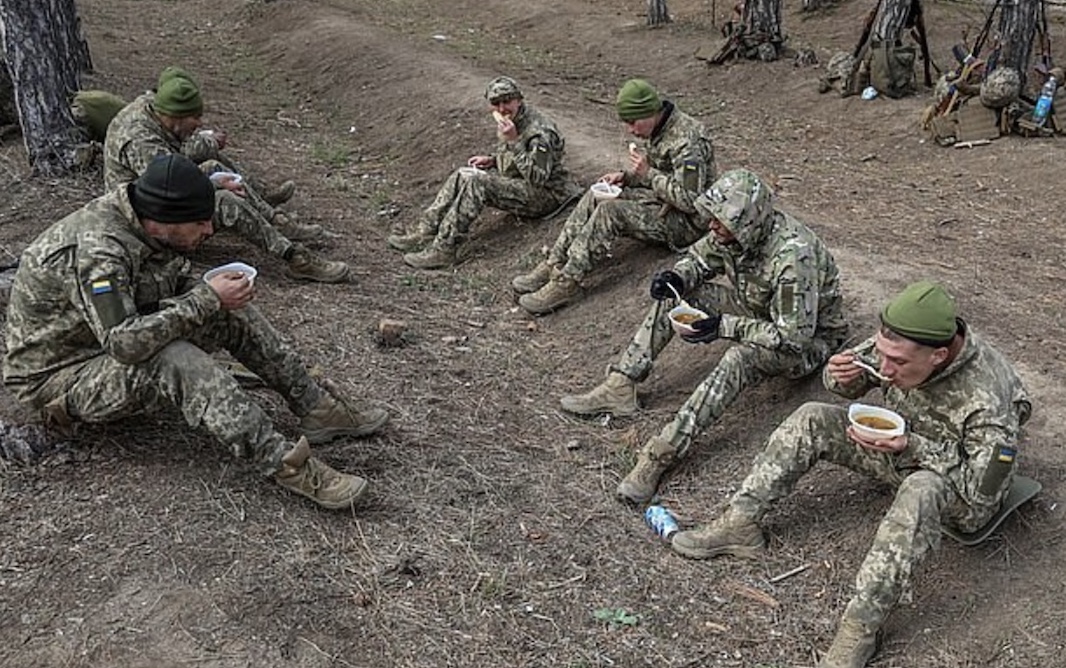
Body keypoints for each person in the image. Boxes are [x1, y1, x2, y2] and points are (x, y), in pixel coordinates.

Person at [669, 281, 1031, 668]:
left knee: (921, 488)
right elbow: (851, 379)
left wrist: (912, 447)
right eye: (882, 356)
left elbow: (982, 496)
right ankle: (741, 523)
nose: (886, 370)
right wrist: (840, 377)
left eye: (899, 364)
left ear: (939, 356)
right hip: (898, 449)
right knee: (812, 416)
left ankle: (861, 628)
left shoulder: (988, 398)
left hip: (956, 487)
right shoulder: (900, 345)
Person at [2, 155, 391, 510]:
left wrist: (212, 294)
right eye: (200, 222)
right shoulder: (99, 251)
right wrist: (205, 298)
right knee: (175, 360)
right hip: (58, 378)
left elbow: (170, 279)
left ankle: (316, 407)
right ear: (163, 221)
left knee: (228, 311)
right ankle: (286, 464)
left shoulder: (142, 220)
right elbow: (124, 343)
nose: (208, 229)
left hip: (100, 342)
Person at [560, 169, 849, 504]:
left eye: (719, 221)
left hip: (808, 343)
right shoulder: (733, 232)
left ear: (745, 224)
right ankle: (622, 383)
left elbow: (793, 337)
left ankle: (661, 454)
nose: (711, 225)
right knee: (676, 296)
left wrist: (723, 326)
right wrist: (677, 278)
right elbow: (698, 259)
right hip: (762, 312)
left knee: (739, 358)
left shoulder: (792, 257)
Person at [103, 66, 348, 284]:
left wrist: (213, 180)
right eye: (195, 118)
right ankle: (296, 258)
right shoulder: (139, 139)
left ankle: (276, 220)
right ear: (175, 117)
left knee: (212, 168)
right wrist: (212, 188)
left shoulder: (153, 110)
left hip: (157, 203)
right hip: (145, 223)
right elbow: (170, 189)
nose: (199, 124)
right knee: (227, 203)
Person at [514, 78, 717, 315]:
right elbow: (663, 172)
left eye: (633, 122)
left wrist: (647, 174)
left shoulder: (687, 141)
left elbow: (690, 201)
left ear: (651, 112)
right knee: (596, 194)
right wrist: (626, 177)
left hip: (687, 225)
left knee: (611, 211)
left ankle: (567, 283)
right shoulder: (660, 127)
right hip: (663, 203)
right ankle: (554, 262)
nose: (630, 130)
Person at [387, 76, 579, 270]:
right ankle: (426, 230)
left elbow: (538, 177)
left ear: (519, 100)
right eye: (496, 103)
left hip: (548, 195)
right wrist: (494, 160)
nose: (502, 108)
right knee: (464, 174)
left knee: (478, 183)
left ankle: (445, 248)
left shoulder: (539, 132)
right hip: (524, 183)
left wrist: (513, 142)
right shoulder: (514, 120)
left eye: (507, 101)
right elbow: (518, 159)